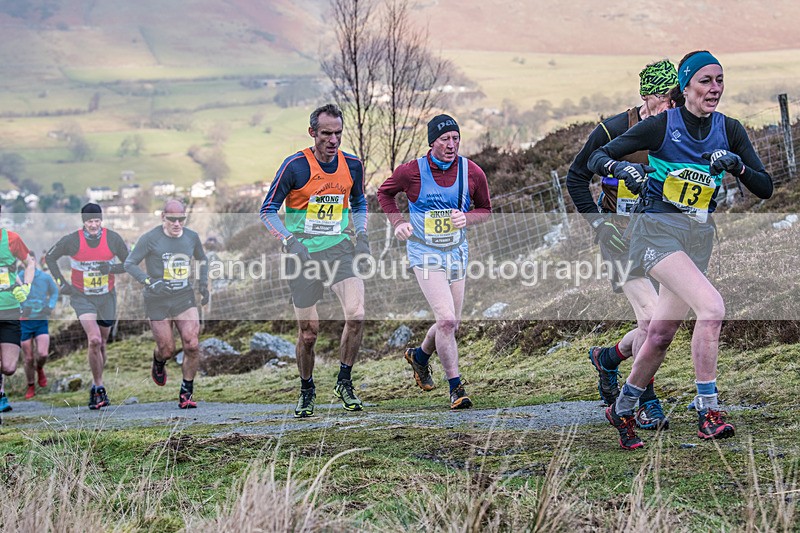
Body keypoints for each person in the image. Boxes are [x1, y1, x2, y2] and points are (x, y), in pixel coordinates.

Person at [588, 51, 773, 449]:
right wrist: (620, 168)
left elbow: (766, 187)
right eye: (705, 80)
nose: (715, 88)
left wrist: (737, 166)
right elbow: (596, 156)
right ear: (685, 87)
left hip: (696, 241)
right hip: (655, 234)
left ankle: (622, 409)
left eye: (720, 80)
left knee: (660, 335)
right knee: (712, 307)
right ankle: (708, 410)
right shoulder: (661, 126)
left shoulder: (730, 129)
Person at [567, 59, 681, 431]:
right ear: (647, 96)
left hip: (663, 236)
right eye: (666, 99)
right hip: (620, 238)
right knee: (650, 318)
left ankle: (608, 358)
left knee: (659, 326)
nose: (672, 106)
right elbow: (576, 176)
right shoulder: (614, 129)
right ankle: (644, 402)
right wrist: (599, 224)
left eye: (677, 99)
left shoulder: (679, 128)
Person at [259, 103, 370, 418]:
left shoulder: (352, 165)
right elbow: (268, 211)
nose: (333, 140)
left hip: (339, 248)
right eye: (326, 134)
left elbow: (359, 201)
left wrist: (361, 234)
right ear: (312, 133)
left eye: (338, 133)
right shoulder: (295, 166)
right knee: (309, 333)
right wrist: (290, 241)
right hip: (303, 253)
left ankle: (344, 381)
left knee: (357, 314)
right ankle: (307, 389)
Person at [377, 114, 492, 409]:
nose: (451, 145)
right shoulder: (411, 171)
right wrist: (398, 222)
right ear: (432, 142)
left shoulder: (472, 172)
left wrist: (467, 217)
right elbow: (385, 193)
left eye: (456, 138)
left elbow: (485, 209)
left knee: (451, 324)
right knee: (446, 320)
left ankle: (420, 356)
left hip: (456, 251)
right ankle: (456, 388)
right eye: (445, 139)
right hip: (424, 252)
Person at [124, 200, 209, 409]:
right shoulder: (150, 238)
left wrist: (203, 284)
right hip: (157, 299)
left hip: (183, 297)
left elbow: (202, 259)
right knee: (167, 350)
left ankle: (186, 392)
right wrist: (149, 282)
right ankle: (158, 361)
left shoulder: (191, 237)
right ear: (163, 217)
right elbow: (129, 263)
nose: (177, 224)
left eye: (181, 219)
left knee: (192, 344)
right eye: (172, 219)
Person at [46, 203, 129, 410]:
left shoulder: (113, 239)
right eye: (90, 221)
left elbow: (129, 263)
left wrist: (111, 268)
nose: (93, 225)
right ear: (84, 222)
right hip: (82, 296)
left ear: (102, 220)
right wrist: (61, 283)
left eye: (97, 220)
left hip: (107, 297)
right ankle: (98, 388)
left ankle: (97, 381)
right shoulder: (72, 240)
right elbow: (50, 257)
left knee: (102, 343)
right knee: (94, 340)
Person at [0, 211, 35, 414]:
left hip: (10, 309)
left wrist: (26, 286)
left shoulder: (12, 239)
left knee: (9, 367)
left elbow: (30, 263)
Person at [18, 253, 59, 400]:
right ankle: (31, 385)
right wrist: (20, 308)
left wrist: (50, 306)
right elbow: (11, 295)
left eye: (30, 260)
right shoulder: (19, 277)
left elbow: (55, 292)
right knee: (28, 358)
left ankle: (40, 368)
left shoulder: (45, 277)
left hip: (41, 320)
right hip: (24, 322)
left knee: (42, 354)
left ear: (34, 261)